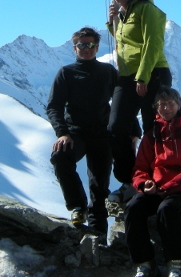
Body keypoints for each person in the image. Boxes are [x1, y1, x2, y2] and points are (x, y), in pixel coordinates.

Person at [125, 87, 181, 277]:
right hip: (157, 190)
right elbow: (140, 168)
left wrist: (169, 188)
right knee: (133, 207)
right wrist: (144, 184)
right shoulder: (152, 134)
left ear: (179, 105)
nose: (166, 107)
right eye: (161, 104)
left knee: (167, 209)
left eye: (170, 103)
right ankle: (144, 263)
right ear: (156, 108)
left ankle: (176, 264)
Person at [106, 0, 172, 203]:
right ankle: (130, 180)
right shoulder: (123, 14)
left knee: (153, 129)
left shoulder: (147, 10)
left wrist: (142, 78)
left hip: (152, 73)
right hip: (127, 75)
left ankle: (158, 182)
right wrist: (111, 23)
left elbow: (153, 44)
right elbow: (127, 43)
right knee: (116, 127)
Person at [46, 27, 118, 233]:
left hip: (102, 134)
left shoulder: (108, 71)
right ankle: (78, 206)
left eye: (90, 45)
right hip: (75, 133)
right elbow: (54, 106)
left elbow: (122, 104)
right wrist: (62, 133)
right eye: (82, 45)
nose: (86, 49)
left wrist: (134, 131)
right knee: (60, 157)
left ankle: (98, 237)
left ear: (96, 47)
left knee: (99, 187)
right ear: (74, 48)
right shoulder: (66, 73)